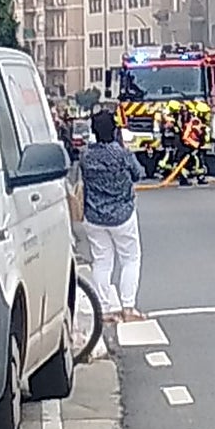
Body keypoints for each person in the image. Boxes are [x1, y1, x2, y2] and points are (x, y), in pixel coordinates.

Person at [80, 109, 146, 323]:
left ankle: (104, 309)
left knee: (102, 262)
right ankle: (128, 307)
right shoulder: (122, 154)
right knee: (130, 259)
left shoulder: (86, 156)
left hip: (94, 216)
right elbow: (138, 173)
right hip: (122, 215)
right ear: (115, 129)